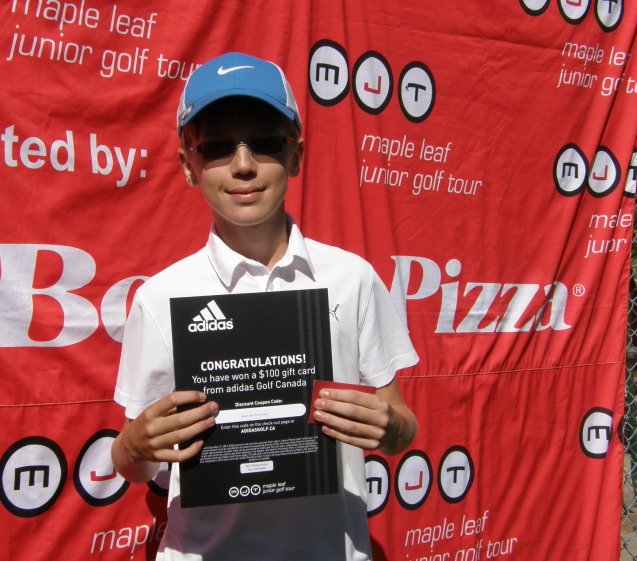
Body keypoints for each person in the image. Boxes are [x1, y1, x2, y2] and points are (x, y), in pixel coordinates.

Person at [111, 52, 419, 561]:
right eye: (217, 147)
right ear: (188, 165)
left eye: (266, 142)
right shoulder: (160, 297)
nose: (244, 164)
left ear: (296, 156)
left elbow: (402, 426)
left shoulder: (353, 278)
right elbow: (133, 464)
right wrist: (133, 447)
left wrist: (390, 429)